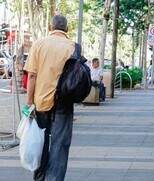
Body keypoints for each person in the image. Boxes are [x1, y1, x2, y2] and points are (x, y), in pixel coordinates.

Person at [24, 15, 75, 181]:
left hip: (41, 103)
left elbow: (32, 76)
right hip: (64, 103)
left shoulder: (39, 44)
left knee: (40, 144)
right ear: (66, 29)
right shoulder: (73, 47)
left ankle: (39, 178)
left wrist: (29, 103)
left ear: (50, 27)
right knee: (60, 146)